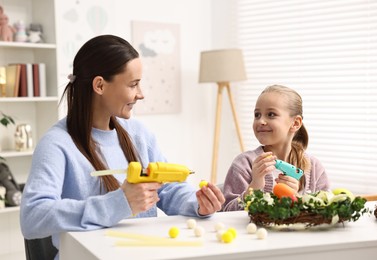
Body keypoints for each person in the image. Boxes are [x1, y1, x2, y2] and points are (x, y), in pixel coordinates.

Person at [20, 35, 225, 256]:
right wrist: (117, 203)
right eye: (133, 84)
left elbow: (166, 188)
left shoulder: (138, 134)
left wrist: (196, 203)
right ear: (99, 85)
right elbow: (33, 216)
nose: (141, 94)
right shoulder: (57, 144)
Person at [222, 84, 329, 211]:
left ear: (295, 123)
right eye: (257, 115)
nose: (261, 121)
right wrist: (254, 187)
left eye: (271, 114)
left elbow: (326, 210)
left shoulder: (314, 167)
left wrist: (297, 199)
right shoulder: (244, 164)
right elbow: (226, 212)